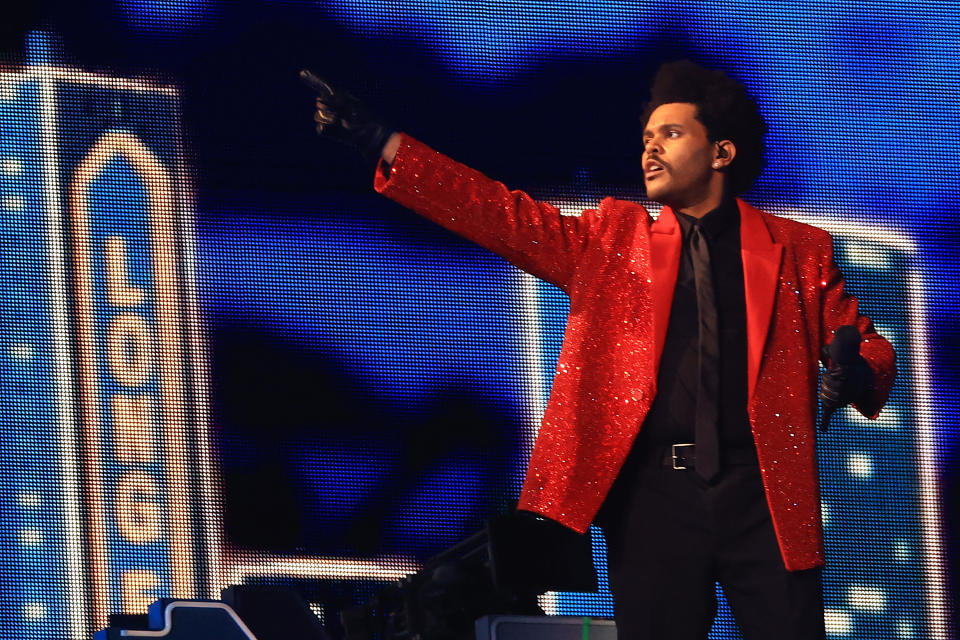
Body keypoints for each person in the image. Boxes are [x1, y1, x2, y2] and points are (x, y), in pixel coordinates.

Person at [304, 61, 896, 639]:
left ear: (722, 153)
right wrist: (383, 142)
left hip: (761, 497)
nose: (650, 150)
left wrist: (856, 376)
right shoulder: (613, 238)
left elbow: (866, 343)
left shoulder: (796, 249)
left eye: (671, 133)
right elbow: (498, 216)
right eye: (646, 138)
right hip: (652, 502)